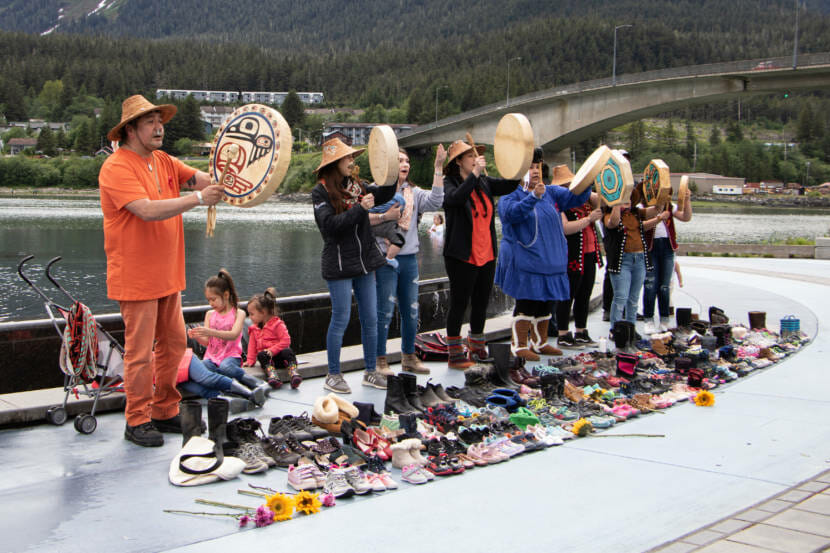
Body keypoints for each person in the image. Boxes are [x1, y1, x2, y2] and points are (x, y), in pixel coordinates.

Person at [99, 94, 224, 447]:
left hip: (168, 274)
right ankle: (136, 419)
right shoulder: (116, 167)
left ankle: (164, 410)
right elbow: (147, 210)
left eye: (160, 121)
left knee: (174, 345)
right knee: (139, 354)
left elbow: (198, 178)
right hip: (135, 277)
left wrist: (223, 178)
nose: (159, 128)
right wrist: (201, 199)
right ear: (131, 129)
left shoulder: (164, 160)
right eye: (151, 122)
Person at [312, 137, 392, 393]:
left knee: (371, 318)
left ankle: (370, 371)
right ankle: (333, 374)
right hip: (338, 264)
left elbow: (385, 192)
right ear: (335, 163)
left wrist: (390, 170)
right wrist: (360, 209)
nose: (352, 162)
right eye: (348, 158)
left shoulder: (357, 185)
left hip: (365, 262)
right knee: (341, 319)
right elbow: (329, 227)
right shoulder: (320, 191)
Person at [496, 153, 591, 362]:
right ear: (519, 172)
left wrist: (588, 179)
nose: (536, 170)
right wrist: (532, 198)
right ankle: (519, 345)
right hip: (527, 259)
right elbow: (510, 215)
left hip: (552, 259)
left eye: (538, 166)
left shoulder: (552, 192)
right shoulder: (510, 195)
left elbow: (576, 197)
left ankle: (540, 342)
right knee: (527, 302)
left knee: (546, 303)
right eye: (530, 167)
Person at [443, 139, 520, 369]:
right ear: (458, 162)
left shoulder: (484, 182)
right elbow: (455, 199)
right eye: (469, 157)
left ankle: (477, 346)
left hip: (486, 252)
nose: (475, 159)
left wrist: (519, 162)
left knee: (481, 302)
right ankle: (455, 353)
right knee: (459, 302)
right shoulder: (450, 182)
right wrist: (475, 174)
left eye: (475, 156)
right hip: (461, 254)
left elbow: (509, 185)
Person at [375, 146, 446, 376]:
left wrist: (437, 167)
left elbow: (436, 200)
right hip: (384, 261)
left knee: (411, 311)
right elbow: (364, 222)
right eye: (399, 161)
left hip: (409, 260)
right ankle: (380, 360)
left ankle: (408, 357)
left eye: (406, 161)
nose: (405, 164)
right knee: (384, 311)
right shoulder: (377, 191)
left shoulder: (414, 193)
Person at [187, 269, 270, 399]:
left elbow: (234, 335)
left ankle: (257, 383)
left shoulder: (238, 313)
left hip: (230, 356)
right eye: (208, 300)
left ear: (226, 295)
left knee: (226, 367)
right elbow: (208, 342)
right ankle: (227, 392)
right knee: (200, 369)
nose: (210, 303)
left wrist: (209, 331)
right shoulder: (209, 314)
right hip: (212, 358)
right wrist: (197, 336)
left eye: (213, 299)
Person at [602, 185, 668, 334]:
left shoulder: (636, 213)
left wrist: (661, 199)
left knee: (633, 299)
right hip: (622, 261)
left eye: (629, 199)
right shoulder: (608, 214)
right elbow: (612, 223)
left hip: (639, 259)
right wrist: (617, 205)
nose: (629, 202)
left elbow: (656, 210)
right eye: (625, 199)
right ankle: (616, 330)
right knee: (620, 297)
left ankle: (631, 330)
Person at [557, 170, 604, 349]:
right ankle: (563, 333)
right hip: (572, 255)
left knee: (585, 293)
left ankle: (581, 331)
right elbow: (565, 228)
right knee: (567, 295)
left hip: (589, 253)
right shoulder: (560, 205)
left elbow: (602, 198)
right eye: (567, 185)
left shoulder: (583, 200)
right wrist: (589, 219)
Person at [642, 184, 693, 333]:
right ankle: (648, 319)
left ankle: (665, 318)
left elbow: (686, 217)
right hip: (651, 247)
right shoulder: (643, 206)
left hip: (667, 247)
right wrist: (658, 218)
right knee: (650, 284)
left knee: (665, 286)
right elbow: (641, 226)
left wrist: (687, 200)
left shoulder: (670, 206)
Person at [243, 288, 302, 389]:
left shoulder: (277, 324)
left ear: (263, 312)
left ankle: (293, 373)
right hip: (269, 360)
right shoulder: (254, 329)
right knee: (261, 355)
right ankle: (272, 376)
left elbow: (286, 340)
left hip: (281, 358)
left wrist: (272, 350)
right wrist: (250, 360)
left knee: (287, 351)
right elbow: (252, 346)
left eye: (252, 314)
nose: (250, 317)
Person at [177, 348, 264, 411]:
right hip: (175, 376)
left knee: (207, 378)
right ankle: (231, 402)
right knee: (203, 391)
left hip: (182, 359)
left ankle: (249, 393)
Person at [368, 190, 407, 269]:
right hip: (387, 227)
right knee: (399, 241)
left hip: (373, 227)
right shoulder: (397, 199)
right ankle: (389, 258)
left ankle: (389, 255)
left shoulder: (372, 196)